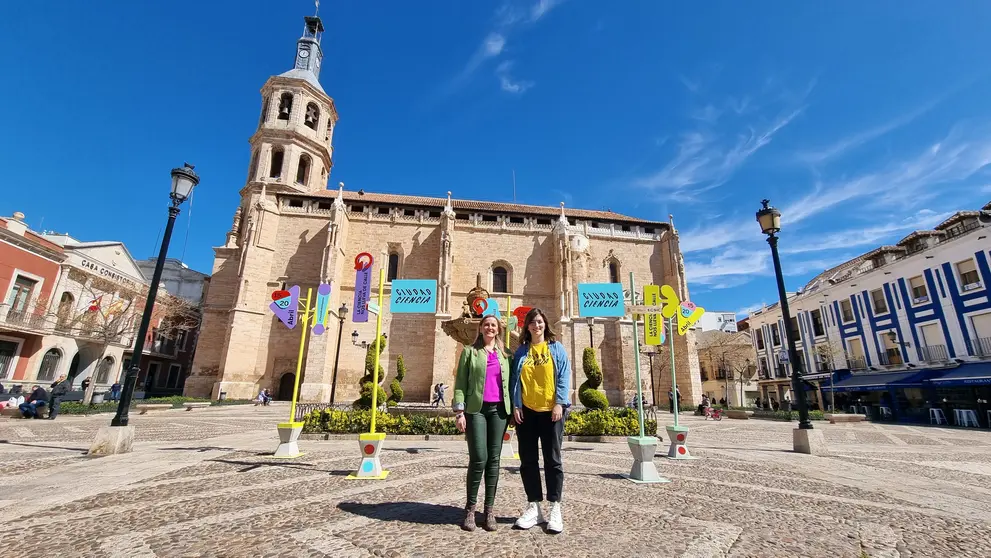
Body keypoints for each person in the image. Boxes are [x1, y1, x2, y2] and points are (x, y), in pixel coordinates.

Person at [510, 307, 572, 534]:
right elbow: (514, 381)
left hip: (551, 411)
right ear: (526, 326)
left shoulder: (556, 348)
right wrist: (516, 405)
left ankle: (555, 507)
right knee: (528, 460)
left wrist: (560, 402)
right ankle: (534, 507)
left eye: (540, 322)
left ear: (545, 324)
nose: (537, 325)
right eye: (533, 322)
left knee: (553, 459)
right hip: (527, 412)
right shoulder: (521, 351)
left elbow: (564, 375)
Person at [452, 315, 512, 532]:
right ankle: (470, 508)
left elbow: (512, 384)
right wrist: (459, 412)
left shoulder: (505, 355)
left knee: (494, 460)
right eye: (486, 324)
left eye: (493, 325)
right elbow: (460, 383)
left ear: (498, 330)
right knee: (479, 458)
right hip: (475, 410)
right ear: (480, 328)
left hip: (499, 411)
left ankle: (489, 510)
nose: (490, 328)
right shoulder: (470, 352)